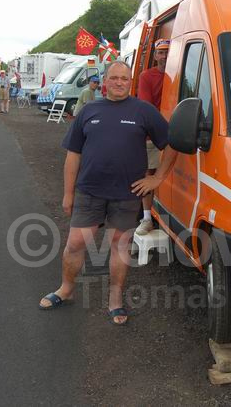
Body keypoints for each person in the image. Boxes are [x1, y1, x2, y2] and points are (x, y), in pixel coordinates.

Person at [38, 61, 176, 325]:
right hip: (89, 192)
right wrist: (68, 194)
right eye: (114, 78)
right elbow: (72, 156)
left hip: (126, 196)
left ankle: (115, 300)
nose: (119, 82)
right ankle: (66, 290)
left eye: (124, 78)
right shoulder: (89, 110)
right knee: (76, 243)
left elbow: (171, 145)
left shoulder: (143, 111)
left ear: (130, 81)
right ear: (105, 81)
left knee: (119, 246)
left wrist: (157, 178)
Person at [135, 39, 169, 236]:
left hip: (178, 130)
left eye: (168, 52)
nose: (164, 56)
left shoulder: (180, 74)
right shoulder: (147, 76)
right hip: (154, 134)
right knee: (148, 174)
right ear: (155, 55)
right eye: (161, 52)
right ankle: (147, 218)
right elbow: (146, 108)